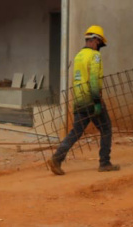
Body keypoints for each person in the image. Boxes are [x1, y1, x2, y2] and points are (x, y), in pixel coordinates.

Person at [47, 25, 120, 175]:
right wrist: (97, 102)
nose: (99, 47)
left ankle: (57, 158)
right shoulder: (95, 56)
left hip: (79, 99)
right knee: (106, 129)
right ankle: (104, 163)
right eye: (99, 43)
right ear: (94, 40)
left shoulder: (79, 55)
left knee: (76, 131)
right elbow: (93, 80)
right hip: (92, 99)